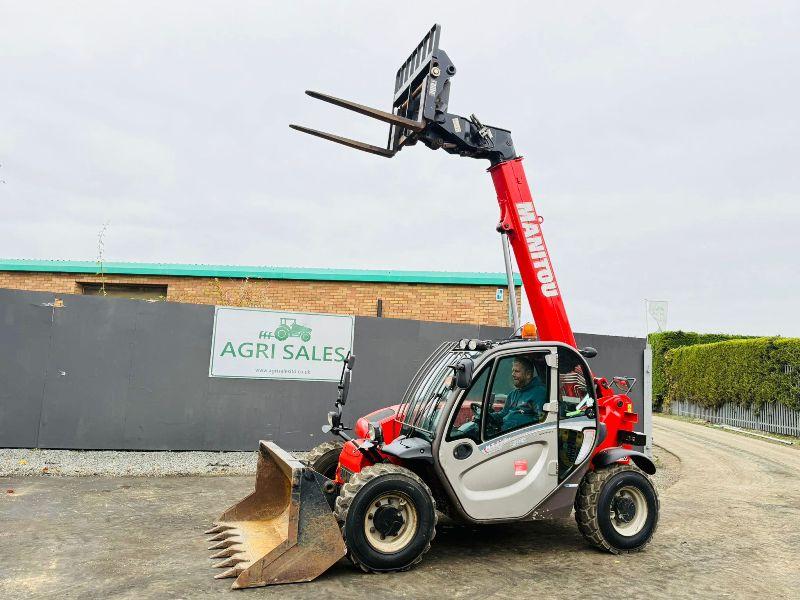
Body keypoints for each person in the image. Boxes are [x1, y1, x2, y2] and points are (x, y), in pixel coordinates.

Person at [491, 356, 547, 432]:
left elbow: (541, 420)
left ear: (528, 374)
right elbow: (503, 414)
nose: (513, 374)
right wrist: (490, 417)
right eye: (512, 371)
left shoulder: (539, 393)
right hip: (504, 433)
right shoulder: (512, 394)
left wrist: (514, 424)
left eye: (517, 371)